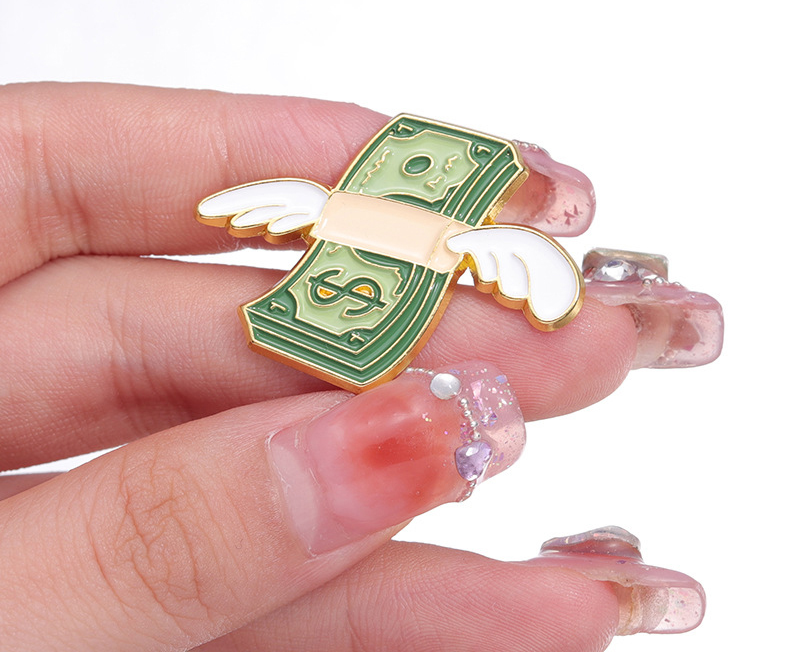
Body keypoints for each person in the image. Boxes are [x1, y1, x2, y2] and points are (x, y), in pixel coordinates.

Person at [0, 82, 721, 651]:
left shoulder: (435, 235)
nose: (424, 171)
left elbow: (535, 282)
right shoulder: (355, 213)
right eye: (417, 165)